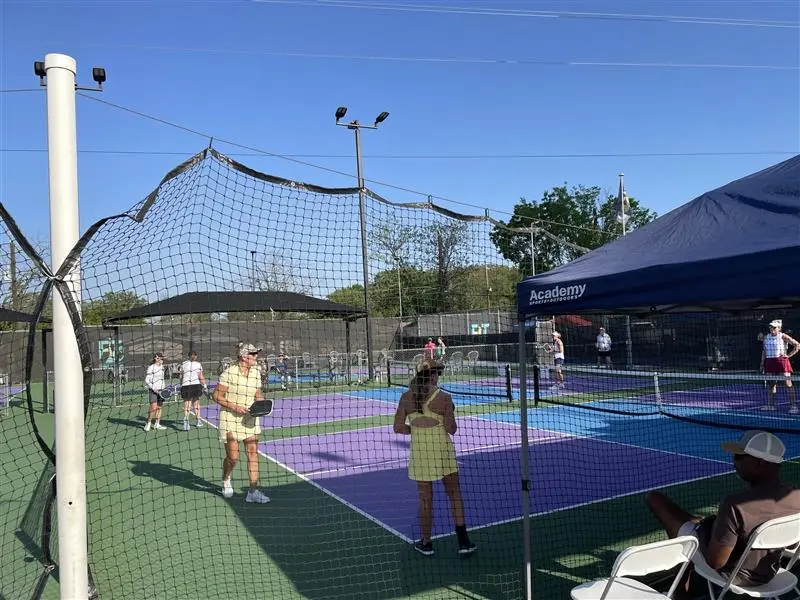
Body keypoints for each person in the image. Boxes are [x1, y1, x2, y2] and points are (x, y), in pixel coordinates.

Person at [645, 430, 800, 593]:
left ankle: (681, 593)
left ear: (759, 463)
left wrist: (702, 532)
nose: (734, 461)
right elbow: (791, 543)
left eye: (739, 457)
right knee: (696, 521)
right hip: (770, 573)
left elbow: (715, 562)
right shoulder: (796, 496)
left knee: (655, 499)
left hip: (734, 576)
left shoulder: (735, 504)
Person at [393, 358, 477, 557]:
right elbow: (452, 429)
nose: (438, 376)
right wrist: (447, 415)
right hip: (443, 452)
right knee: (454, 494)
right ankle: (464, 542)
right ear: (432, 376)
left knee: (425, 499)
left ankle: (426, 543)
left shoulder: (406, 397)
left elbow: (398, 427)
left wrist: (416, 429)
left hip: (420, 454)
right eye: (437, 373)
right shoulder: (444, 398)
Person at [214, 343, 270, 504]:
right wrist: (235, 407)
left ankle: (253, 491)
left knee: (252, 453)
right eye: (253, 354)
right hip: (230, 418)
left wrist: (261, 404)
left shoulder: (256, 372)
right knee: (233, 456)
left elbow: (257, 393)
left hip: (250, 418)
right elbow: (216, 395)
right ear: (244, 357)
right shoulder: (229, 373)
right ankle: (226, 478)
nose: (256, 356)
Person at [761, 319, 799, 414]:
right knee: (771, 384)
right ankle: (771, 406)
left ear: (779, 328)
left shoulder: (783, 336)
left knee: (788, 384)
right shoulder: (766, 337)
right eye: (770, 327)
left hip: (782, 361)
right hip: (769, 362)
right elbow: (764, 351)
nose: (772, 329)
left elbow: (797, 345)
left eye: (774, 327)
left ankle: (794, 406)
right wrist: (762, 363)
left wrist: (788, 356)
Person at [180, 350, 207, 431]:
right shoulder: (198, 364)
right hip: (195, 386)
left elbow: (181, 377)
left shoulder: (183, 364)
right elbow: (201, 376)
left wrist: (181, 384)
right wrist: (205, 386)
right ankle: (198, 421)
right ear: (196, 356)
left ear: (188, 356)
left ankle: (186, 420)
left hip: (186, 386)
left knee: (187, 403)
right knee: (196, 403)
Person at [144, 353, 167, 432]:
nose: (161, 359)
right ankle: (148, 423)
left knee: (159, 407)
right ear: (155, 359)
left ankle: (157, 424)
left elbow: (162, 379)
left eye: (162, 358)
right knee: (153, 407)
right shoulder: (151, 367)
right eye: (159, 358)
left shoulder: (162, 367)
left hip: (161, 390)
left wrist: (163, 388)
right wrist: (153, 388)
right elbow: (147, 380)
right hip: (153, 390)